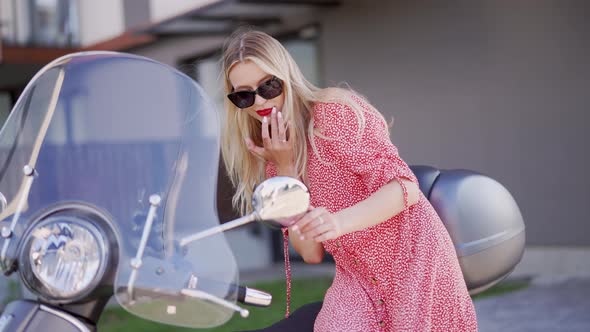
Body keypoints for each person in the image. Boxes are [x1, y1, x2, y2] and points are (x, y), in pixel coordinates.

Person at [220, 28, 478, 331]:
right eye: (244, 95)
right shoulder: (277, 160)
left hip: (413, 261)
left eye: (269, 85)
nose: (259, 101)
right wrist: (287, 168)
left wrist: (339, 222)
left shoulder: (334, 115)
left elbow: (405, 188)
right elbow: (311, 252)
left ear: (287, 78)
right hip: (359, 279)